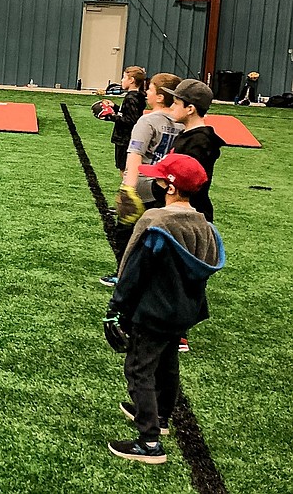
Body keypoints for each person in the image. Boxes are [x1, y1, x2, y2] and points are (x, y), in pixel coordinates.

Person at [104, 153, 224, 464]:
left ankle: (149, 442)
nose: (154, 183)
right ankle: (163, 418)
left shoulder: (155, 222)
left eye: (159, 179)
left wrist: (116, 309)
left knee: (139, 369)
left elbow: (134, 271)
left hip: (153, 311)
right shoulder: (204, 225)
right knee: (168, 366)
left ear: (169, 188)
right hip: (184, 310)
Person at [102, 72, 181, 287]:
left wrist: (128, 186)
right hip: (166, 187)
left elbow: (135, 153)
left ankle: (124, 274)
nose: (147, 92)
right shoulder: (181, 124)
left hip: (144, 183)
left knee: (126, 233)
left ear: (160, 97)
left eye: (151, 90)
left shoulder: (147, 121)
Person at [162, 79, 223, 223]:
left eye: (176, 103)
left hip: (189, 217)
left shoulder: (198, 143)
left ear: (190, 109)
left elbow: (186, 183)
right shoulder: (187, 136)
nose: (171, 107)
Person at [110, 66, 147, 173]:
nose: (122, 80)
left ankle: (127, 187)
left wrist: (112, 117)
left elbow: (131, 120)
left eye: (124, 77)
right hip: (128, 137)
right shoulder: (137, 96)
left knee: (124, 167)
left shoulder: (131, 98)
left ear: (131, 80)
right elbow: (127, 112)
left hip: (124, 138)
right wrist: (115, 107)